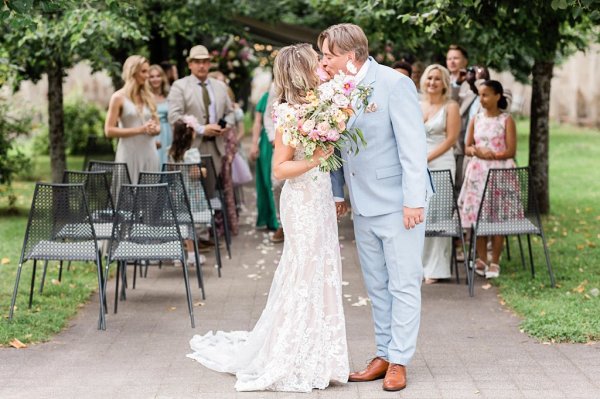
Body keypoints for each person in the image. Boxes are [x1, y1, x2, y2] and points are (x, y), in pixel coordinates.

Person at [187, 43, 349, 392]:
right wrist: (316, 158)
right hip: (301, 201)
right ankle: (294, 354)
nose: (322, 64)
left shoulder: (324, 104)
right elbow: (280, 168)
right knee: (303, 272)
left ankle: (324, 354)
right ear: (303, 68)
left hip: (319, 197)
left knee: (322, 271)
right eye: (316, 60)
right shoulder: (288, 112)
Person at [321, 24, 433, 392]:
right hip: (362, 205)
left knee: (402, 284)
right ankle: (383, 353)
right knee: (377, 285)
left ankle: (400, 360)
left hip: (399, 204)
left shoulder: (394, 84)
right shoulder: (338, 89)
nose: (325, 62)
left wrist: (413, 200)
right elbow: (335, 146)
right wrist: (339, 193)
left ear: (351, 56)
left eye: (329, 56)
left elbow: (413, 147)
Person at [458, 80, 517, 279]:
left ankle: (495, 261)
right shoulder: (476, 118)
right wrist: (476, 151)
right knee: (478, 217)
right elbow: (466, 147)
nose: (481, 99)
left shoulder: (506, 120)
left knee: (496, 217)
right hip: (477, 174)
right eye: (480, 95)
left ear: (497, 96)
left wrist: (491, 154)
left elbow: (511, 150)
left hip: (499, 173)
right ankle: (482, 258)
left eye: (485, 95)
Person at [168, 45, 235, 200]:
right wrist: (201, 129)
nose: (201, 65)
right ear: (190, 64)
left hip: (215, 146)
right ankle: (192, 225)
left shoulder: (220, 86)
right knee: (189, 195)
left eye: (205, 61)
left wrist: (222, 126)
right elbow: (174, 116)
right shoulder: (180, 86)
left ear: (209, 63)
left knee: (209, 194)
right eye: (197, 62)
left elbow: (230, 112)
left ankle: (207, 225)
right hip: (190, 148)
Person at [419, 64, 460, 284]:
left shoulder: (450, 106)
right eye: (429, 78)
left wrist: (427, 158)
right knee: (420, 214)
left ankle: (436, 269)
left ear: (444, 83)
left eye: (437, 79)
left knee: (439, 215)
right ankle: (418, 266)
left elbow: (451, 139)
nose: (432, 82)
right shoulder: (417, 105)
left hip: (441, 163)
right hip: (417, 166)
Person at [104, 55, 160, 184]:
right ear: (132, 72)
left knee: (149, 198)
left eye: (148, 71)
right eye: (143, 71)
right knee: (127, 197)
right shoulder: (118, 97)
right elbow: (109, 130)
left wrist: (154, 129)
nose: (147, 76)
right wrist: (141, 129)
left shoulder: (149, 97)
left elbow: (158, 127)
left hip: (149, 153)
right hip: (129, 153)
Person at [168, 116, 207, 266]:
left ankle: (178, 255)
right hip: (191, 194)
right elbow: (194, 174)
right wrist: (202, 170)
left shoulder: (171, 153)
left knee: (178, 225)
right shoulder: (192, 153)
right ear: (190, 134)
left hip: (176, 193)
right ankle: (191, 255)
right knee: (189, 225)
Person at [250, 90, 279, 232]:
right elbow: (257, 122)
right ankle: (273, 219)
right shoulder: (267, 96)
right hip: (269, 142)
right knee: (269, 180)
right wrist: (254, 144)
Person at [148, 64, 172, 168]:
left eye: (158, 76)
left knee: (168, 161)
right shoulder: (145, 97)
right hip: (152, 132)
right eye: (152, 77)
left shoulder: (169, 95)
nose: (155, 79)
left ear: (162, 78)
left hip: (167, 131)